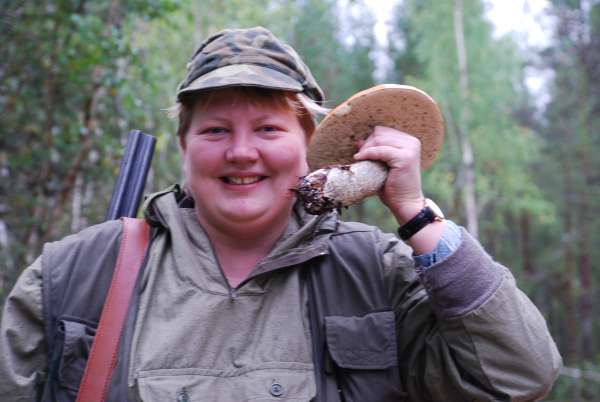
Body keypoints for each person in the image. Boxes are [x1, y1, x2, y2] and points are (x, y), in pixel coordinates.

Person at [0, 26, 561, 402]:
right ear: (184, 147)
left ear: (310, 145)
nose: (242, 152)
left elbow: (517, 376)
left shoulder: (377, 272)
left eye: (268, 129)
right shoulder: (75, 275)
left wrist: (416, 216)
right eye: (216, 130)